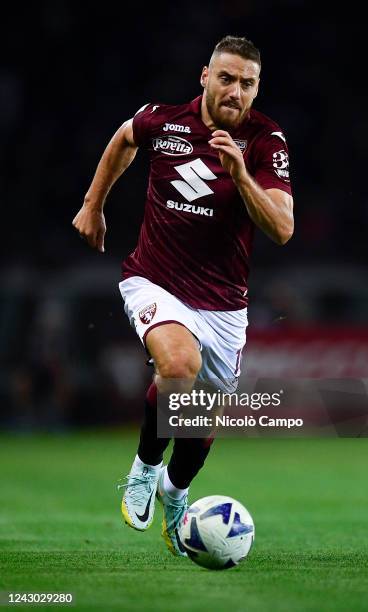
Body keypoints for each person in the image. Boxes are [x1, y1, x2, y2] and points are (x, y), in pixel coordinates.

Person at [72, 35, 294, 557]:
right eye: (227, 78)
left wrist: (240, 175)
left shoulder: (266, 141)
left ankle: (175, 490)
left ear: (256, 89)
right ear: (205, 76)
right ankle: (145, 470)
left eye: (247, 83)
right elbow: (125, 138)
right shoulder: (165, 120)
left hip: (223, 306)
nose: (236, 91)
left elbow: (282, 228)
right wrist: (92, 203)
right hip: (154, 279)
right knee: (177, 366)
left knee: (197, 421)